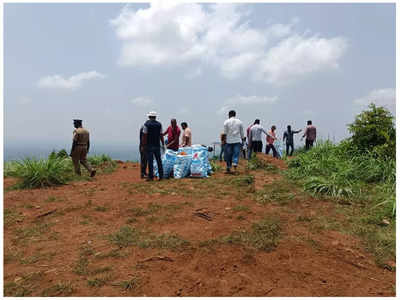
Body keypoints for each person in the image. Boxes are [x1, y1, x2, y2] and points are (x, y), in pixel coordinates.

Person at [141, 111, 164, 181]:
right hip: (157, 145)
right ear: (155, 117)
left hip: (149, 146)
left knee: (150, 161)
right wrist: (163, 144)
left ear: (149, 117)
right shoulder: (159, 124)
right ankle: (161, 176)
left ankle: (151, 177)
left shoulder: (146, 124)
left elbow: (144, 136)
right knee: (159, 161)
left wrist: (143, 145)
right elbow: (161, 135)